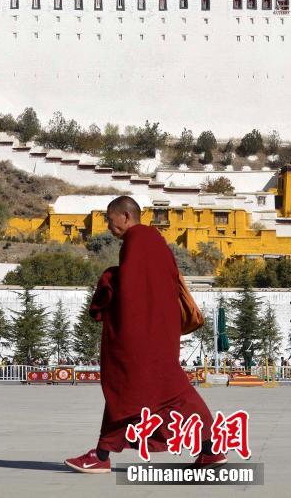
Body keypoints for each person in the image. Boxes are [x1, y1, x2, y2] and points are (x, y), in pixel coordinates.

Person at [65, 196, 226, 475]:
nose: (108, 225)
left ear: (125, 216)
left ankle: (211, 448)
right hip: (160, 330)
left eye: (110, 219)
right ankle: (102, 453)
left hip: (144, 336)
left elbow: (130, 289)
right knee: (131, 392)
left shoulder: (137, 240)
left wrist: (109, 278)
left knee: (153, 391)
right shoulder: (154, 241)